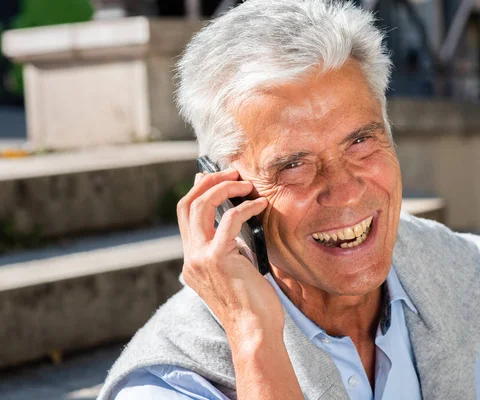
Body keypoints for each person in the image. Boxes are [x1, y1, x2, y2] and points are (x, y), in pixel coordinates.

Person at [99, 0, 480, 399]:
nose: (345, 191)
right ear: (226, 191)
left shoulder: (462, 269)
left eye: (361, 141)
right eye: (293, 166)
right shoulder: (169, 384)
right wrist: (253, 339)